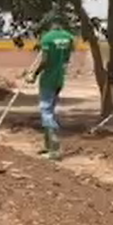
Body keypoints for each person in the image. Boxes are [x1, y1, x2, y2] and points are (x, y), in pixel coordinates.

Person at [24, 19, 75, 158]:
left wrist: (33, 74)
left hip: (48, 79)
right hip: (60, 78)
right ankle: (47, 146)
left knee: (45, 110)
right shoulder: (68, 37)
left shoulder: (47, 39)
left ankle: (55, 148)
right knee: (51, 109)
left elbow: (45, 60)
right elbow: (66, 59)